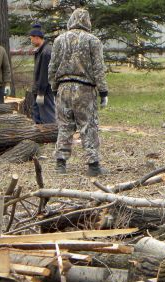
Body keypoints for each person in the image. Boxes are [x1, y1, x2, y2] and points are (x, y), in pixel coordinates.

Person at [48, 8, 109, 177]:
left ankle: (60, 163)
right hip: (84, 90)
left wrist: (54, 87)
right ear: (87, 21)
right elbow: (98, 68)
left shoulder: (60, 40)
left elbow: (52, 66)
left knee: (64, 126)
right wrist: (103, 92)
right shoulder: (93, 41)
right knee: (88, 126)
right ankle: (93, 165)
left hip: (63, 88)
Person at [29, 24, 55, 123]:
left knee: (47, 117)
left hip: (45, 91)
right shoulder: (40, 51)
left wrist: (41, 93)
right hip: (38, 90)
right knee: (38, 117)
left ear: (36, 37)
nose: (31, 41)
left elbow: (45, 75)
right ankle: (40, 137)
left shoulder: (46, 52)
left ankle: (51, 136)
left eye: (31, 39)